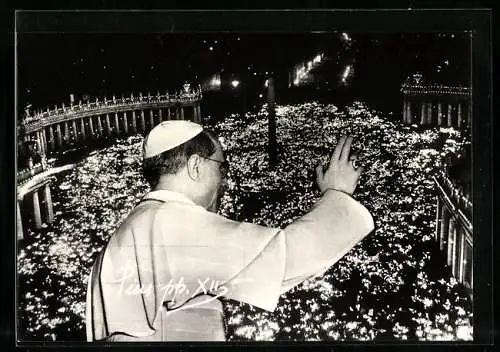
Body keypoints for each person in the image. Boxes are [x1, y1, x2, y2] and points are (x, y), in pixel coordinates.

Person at [86, 120, 375, 342]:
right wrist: (337, 193)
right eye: (221, 168)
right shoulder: (170, 223)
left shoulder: (138, 224)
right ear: (196, 166)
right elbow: (285, 258)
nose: (223, 181)